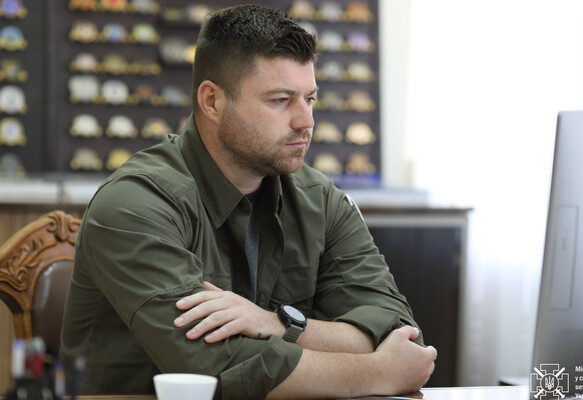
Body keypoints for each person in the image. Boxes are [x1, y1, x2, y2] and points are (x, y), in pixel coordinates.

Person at [60, 4, 437, 400]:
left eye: (309, 99)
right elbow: (216, 368)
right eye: (281, 100)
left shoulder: (320, 199)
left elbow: (401, 334)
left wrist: (277, 324)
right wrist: (379, 371)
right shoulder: (135, 203)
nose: (306, 121)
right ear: (212, 102)